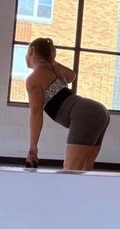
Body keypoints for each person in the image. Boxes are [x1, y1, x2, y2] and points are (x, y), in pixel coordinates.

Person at [24, 37, 111, 171]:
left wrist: (33, 147)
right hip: (100, 112)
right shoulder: (54, 70)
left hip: (85, 114)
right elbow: (72, 76)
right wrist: (52, 61)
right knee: (84, 170)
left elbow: (36, 113)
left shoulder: (34, 78)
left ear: (31, 51)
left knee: (70, 171)